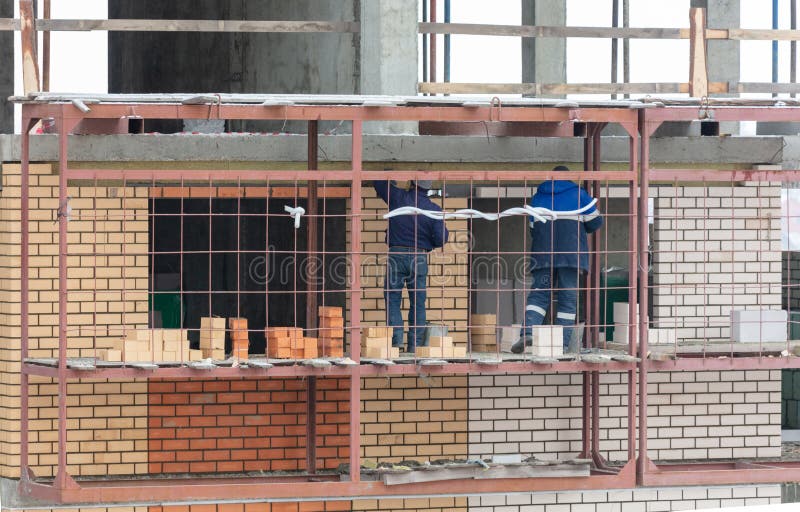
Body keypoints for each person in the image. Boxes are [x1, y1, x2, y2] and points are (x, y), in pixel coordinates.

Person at [511, 166, 603, 354]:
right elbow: (596, 222)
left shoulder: (538, 197)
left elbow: (532, 228)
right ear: (569, 178)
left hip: (543, 255)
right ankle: (560, 345)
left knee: (538, 296)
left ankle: (526, 333)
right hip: (571, 256)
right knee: (567, 300)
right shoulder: (579, 194)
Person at [374, 180, 449, 352]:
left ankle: (396, 342)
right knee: (418, 302)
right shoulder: (433, 209)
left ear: (411, 183)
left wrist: (390, 175)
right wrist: (425, 242)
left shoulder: (398, 197)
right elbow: (441, 239)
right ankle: (414, 346)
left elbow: (378, 182)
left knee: (393, 298)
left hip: (397, 254)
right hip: (420, 257)